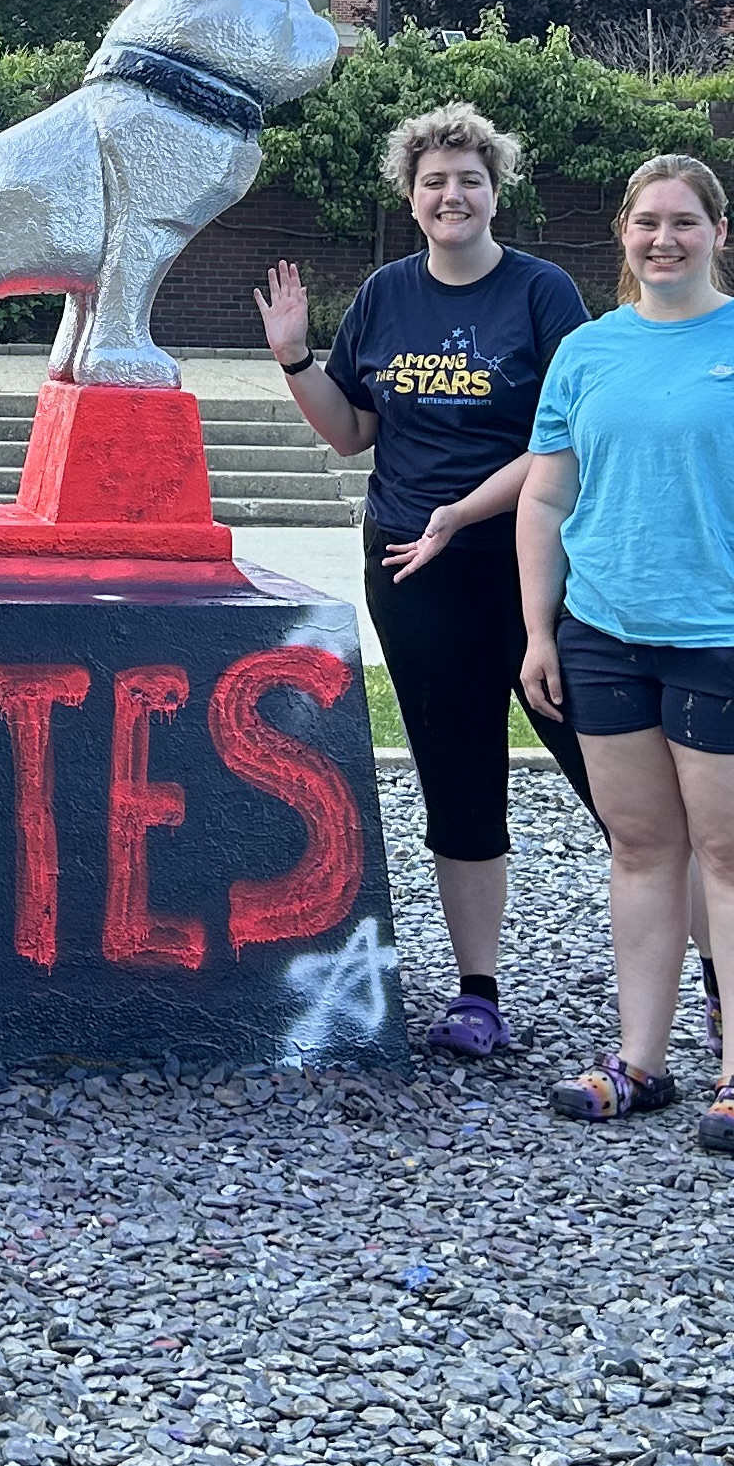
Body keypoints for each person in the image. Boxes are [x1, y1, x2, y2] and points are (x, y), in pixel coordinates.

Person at [515, 154, 734, 1156]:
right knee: (642, 851)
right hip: (606, 634)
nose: (664, 239)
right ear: (623, 234)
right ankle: (640, 1059)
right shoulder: (586, 351)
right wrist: (539, 628)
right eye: (646, 222)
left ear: (718, 232)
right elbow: (544, 494)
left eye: (684, 222)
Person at [257, 101, 589, 1058]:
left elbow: (560, 439)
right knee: (457, 773)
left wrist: (464, 513)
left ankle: (708, 970)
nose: (453, 195)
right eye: (435, 180)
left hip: (530, 557)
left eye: (470, 180)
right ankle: (478, 991)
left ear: (496, 193)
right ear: (412, 197)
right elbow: (353, 432)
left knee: (604, 766)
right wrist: (294, 357)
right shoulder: (385, 295)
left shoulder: (542, 293)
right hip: (410, 563)